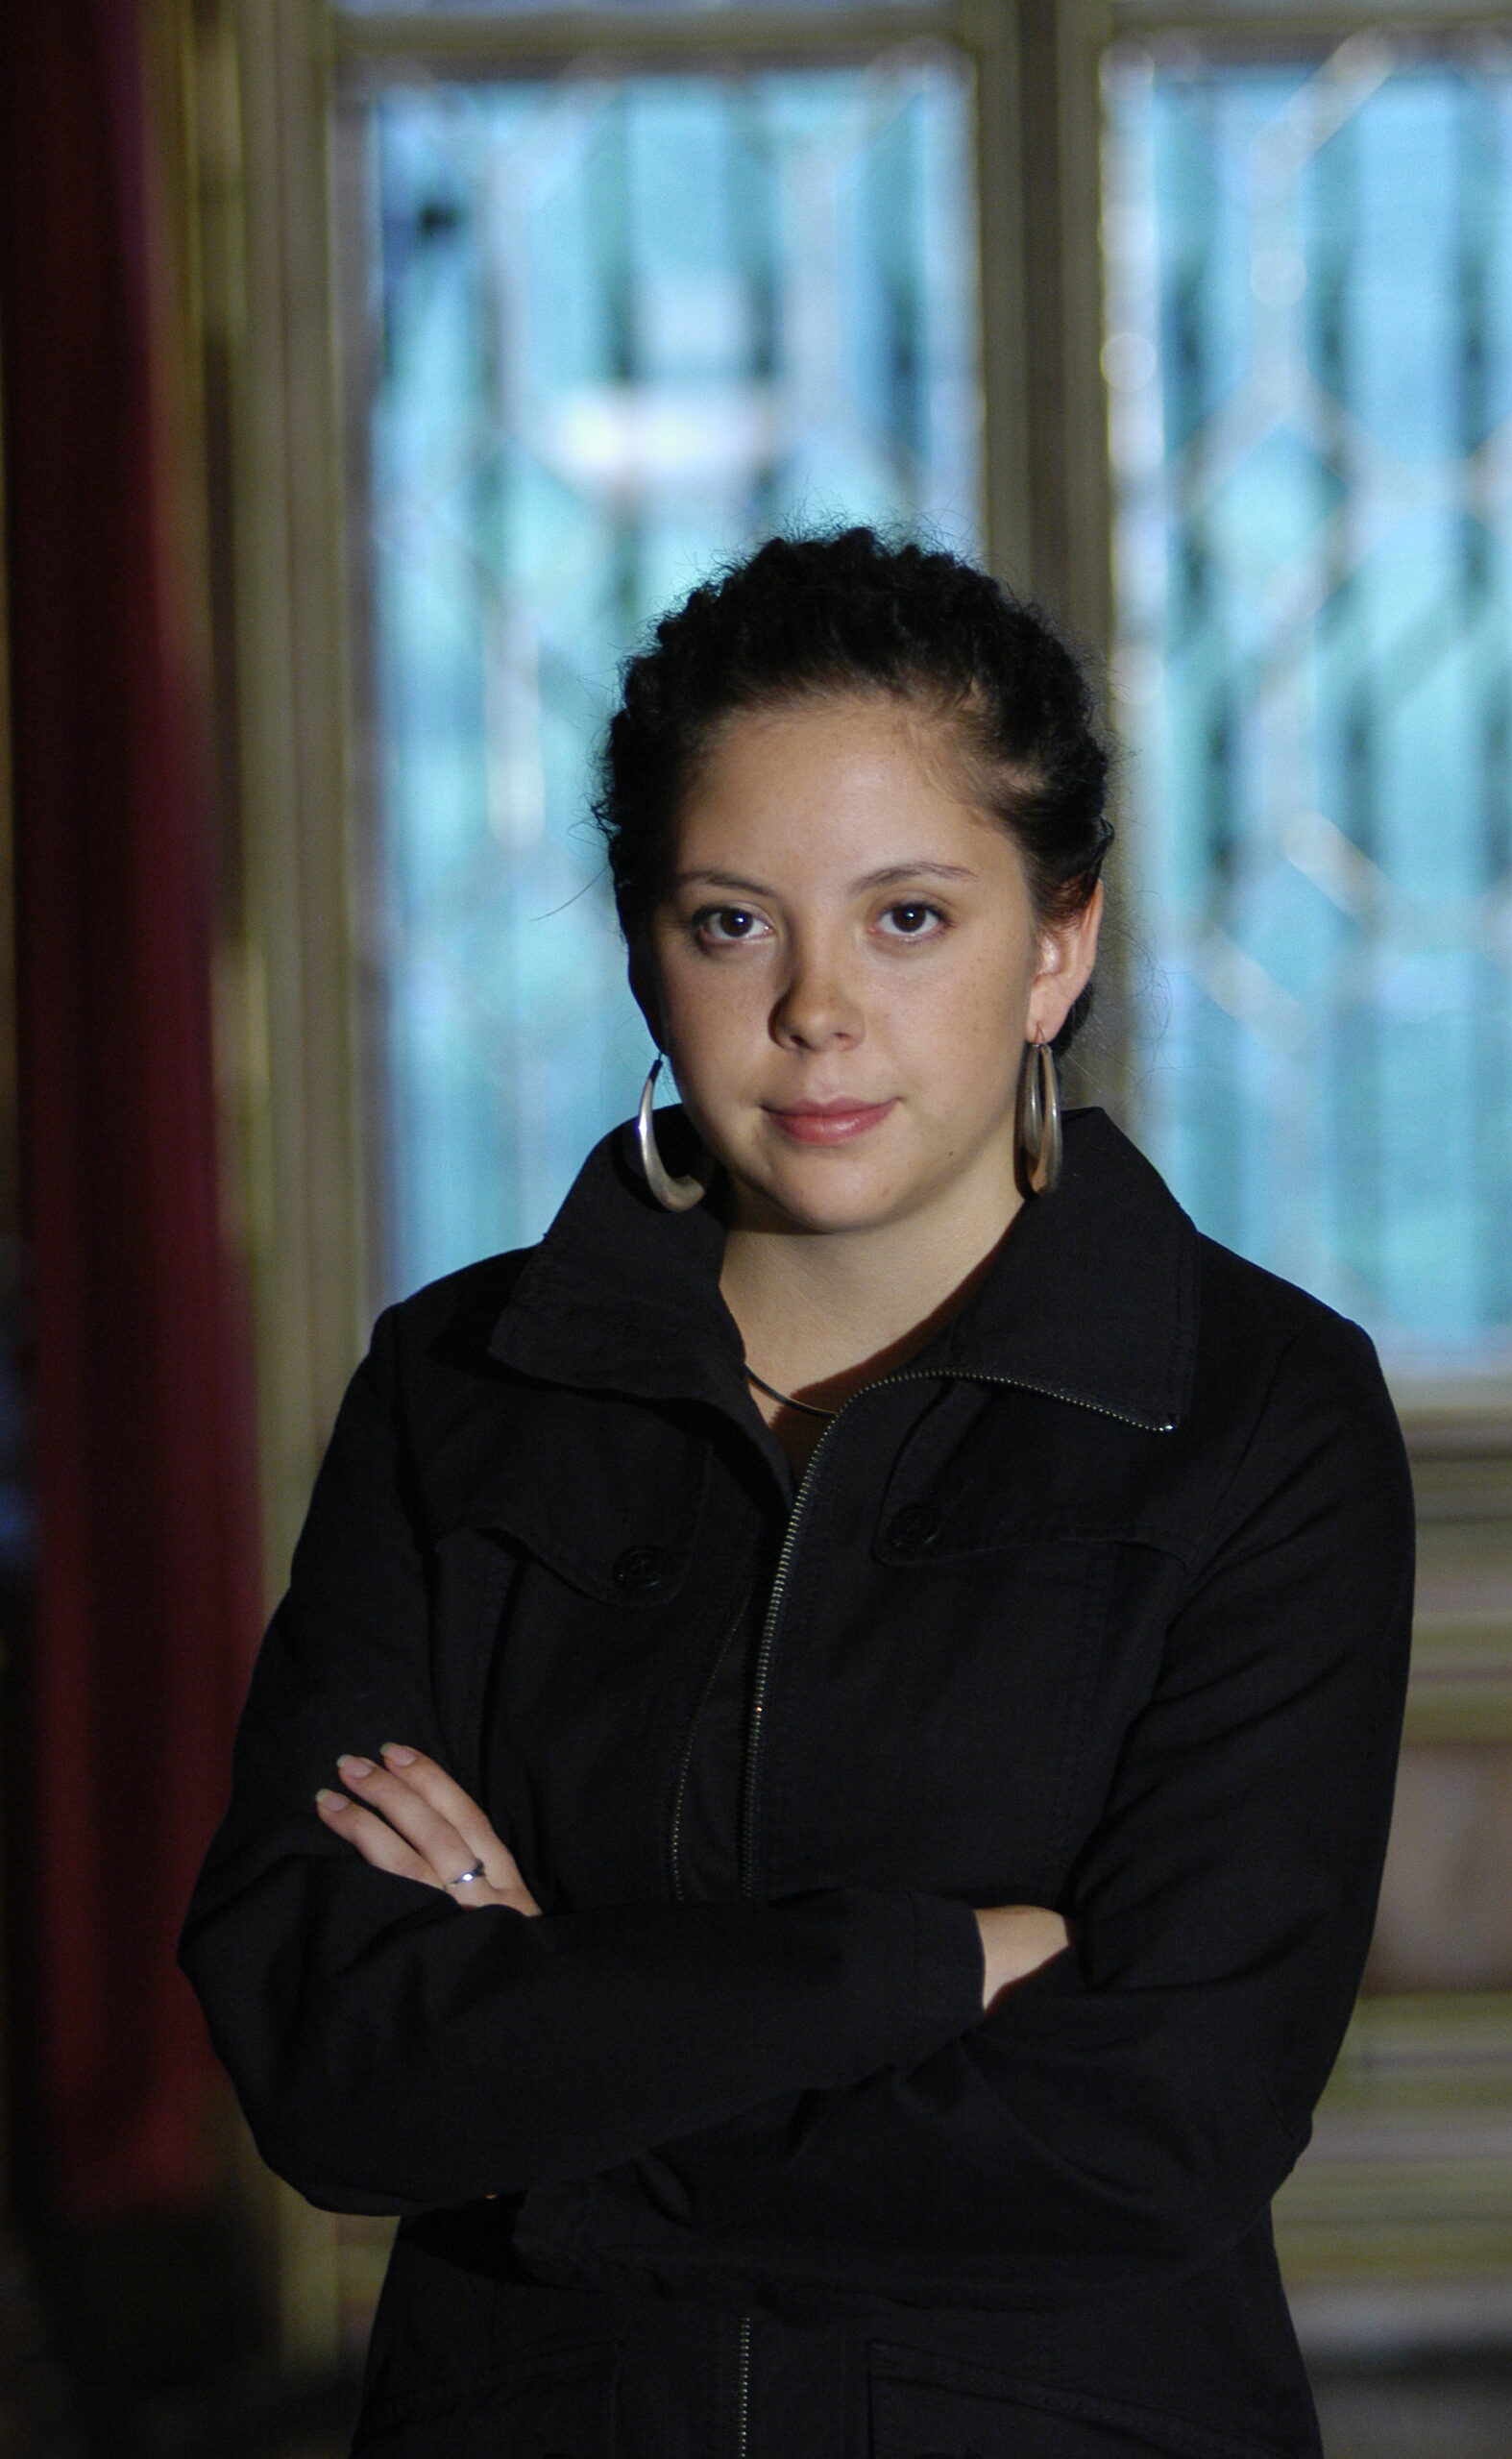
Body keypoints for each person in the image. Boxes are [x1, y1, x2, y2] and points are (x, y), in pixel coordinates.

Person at [180, 527, 1416, 2459]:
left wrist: (545, 2056)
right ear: (639, 950)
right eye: (731, 921)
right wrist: (927, 1965)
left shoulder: (1259, 1408)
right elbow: (331, 2063)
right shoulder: (458, 1385)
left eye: (907, 915)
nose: (817, 1008)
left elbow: (1154, 2124)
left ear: (1058, 944)